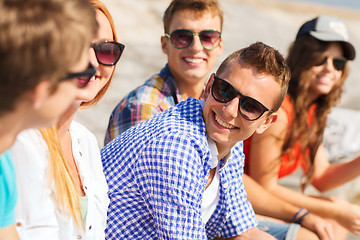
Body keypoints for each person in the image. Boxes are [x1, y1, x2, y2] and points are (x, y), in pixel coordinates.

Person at [101, 42, 290, 239]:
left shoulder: (230, 139)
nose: (230, 110)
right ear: (209, 87)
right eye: (225, 90)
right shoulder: (177, 147)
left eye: (250, 106)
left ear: (266, 122)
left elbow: (244, 231)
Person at [9, 0, 124, 239]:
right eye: (79, 47)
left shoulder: (86, 141)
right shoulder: (18, 141)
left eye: (105, 50)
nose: (92, 64)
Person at [244, 15, 359, 240]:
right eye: (320, 59)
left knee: (335, 216)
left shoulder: (310, 110)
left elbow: (322, 178)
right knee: (325, 223)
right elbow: (263, 186)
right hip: (240, 197)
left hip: (257, 197)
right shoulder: (281, 111)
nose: (329, 69)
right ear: (300, 57)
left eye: (338, 63)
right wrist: (336, 211)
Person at [104, 0, 224, 144]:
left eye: (208, 37)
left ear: (219, 45)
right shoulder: (143, 109)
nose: (196, 47)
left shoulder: (217, 104)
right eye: (182, 37)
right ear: (164, 44)